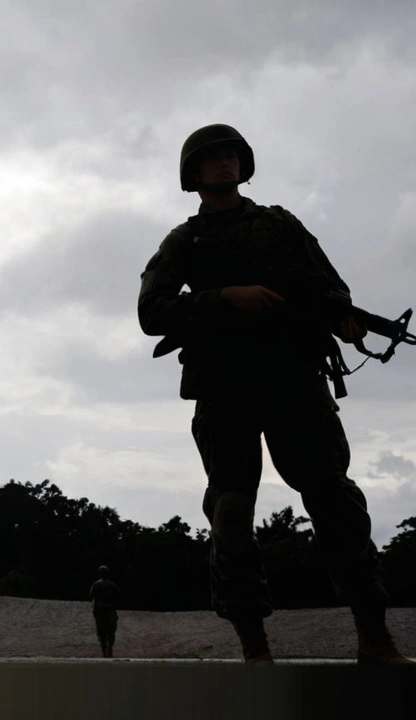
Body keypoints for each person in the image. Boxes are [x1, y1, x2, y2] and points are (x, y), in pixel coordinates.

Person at [138, 124, 412, 665]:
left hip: (294, 382)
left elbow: (330, 288)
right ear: (192, 175)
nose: (224, 164)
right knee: (232, 511)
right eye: (212, 158)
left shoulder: (281, 224)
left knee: (336, 502)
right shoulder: (184, 242)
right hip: (224, 389)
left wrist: (342, 319)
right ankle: (254, 650)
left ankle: (375, 640)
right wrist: (224, 298)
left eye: (231, 156)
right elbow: (153, 312)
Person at [89, 566, 120, 659]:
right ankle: (110, 647)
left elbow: (91, 595)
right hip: (110, 610)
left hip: (100, 611)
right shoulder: (112, 585)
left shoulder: (96, 584)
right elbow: (118, 596)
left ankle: (104, 649)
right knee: (111, 630)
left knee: (101, 630)